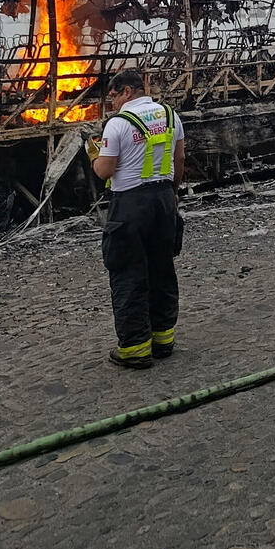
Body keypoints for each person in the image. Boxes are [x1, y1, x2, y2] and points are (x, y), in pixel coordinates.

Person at [91, 69, 185, 368]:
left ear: (127, 92)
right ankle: (163, 339)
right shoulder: (170, 116)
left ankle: (134, 349)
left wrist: (93, 155)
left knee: (128, 273)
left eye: (114, 96)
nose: (112, 103)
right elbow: (179, 159)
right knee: (161, 268)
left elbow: (105, 171)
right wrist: (173, 192)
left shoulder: (118, 124)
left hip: (130, 204)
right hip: (163, 201)